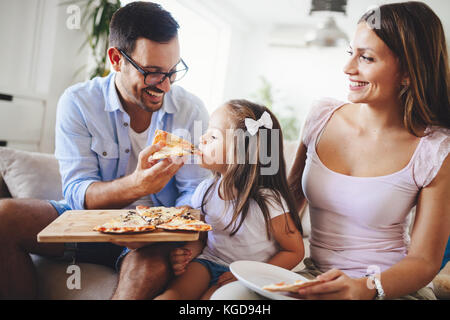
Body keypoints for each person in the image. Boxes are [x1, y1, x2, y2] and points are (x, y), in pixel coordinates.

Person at [0, 1, 210, 299]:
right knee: (5, 216)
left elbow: (195, 194)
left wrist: (156, 226)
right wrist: (137, 184)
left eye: (172, 71)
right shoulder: (78, 102)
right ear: (116, 59)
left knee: (146, 270)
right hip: (90, 223)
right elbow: (76, 192)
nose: (164, 86)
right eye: (152, 72)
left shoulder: (191, 110)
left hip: (153, 234)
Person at [287, 2, 449, 300]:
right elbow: (285, 209)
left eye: (367, 58)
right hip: (316, 276)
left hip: (387, 287)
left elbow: (425, 261)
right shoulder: (321, 116)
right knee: (230, 298)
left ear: (409, 73)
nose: (348, 68)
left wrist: (363, 288)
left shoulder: (435, 148)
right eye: (351, 53)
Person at [154, 100, 305, 300]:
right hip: (209, 261)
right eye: (207, 131)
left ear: (242, 151)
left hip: (249, 273)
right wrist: (186, 254)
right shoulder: (205, 191)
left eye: (213, 135)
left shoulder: (268, 202)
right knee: (171, 296)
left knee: (210, 298)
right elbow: (203, 239)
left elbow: (294, 251)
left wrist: (250, 275)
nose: (203, 138)